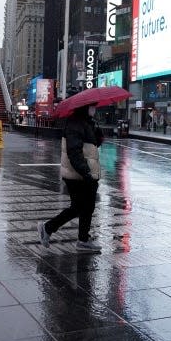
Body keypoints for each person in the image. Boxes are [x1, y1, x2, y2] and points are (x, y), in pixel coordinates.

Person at [38, 104, 104, 252]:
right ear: (84, 108)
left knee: (86, 207)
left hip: (82, 173)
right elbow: (74, 151)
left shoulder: (85, 122)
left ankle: (82, 239)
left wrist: (97, 134)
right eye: (92, 107)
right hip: (78, 174)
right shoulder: (75, 123)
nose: (94, 109)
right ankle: (48, 228)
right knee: (80, 207)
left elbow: (90, 146)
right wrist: (85, 172)